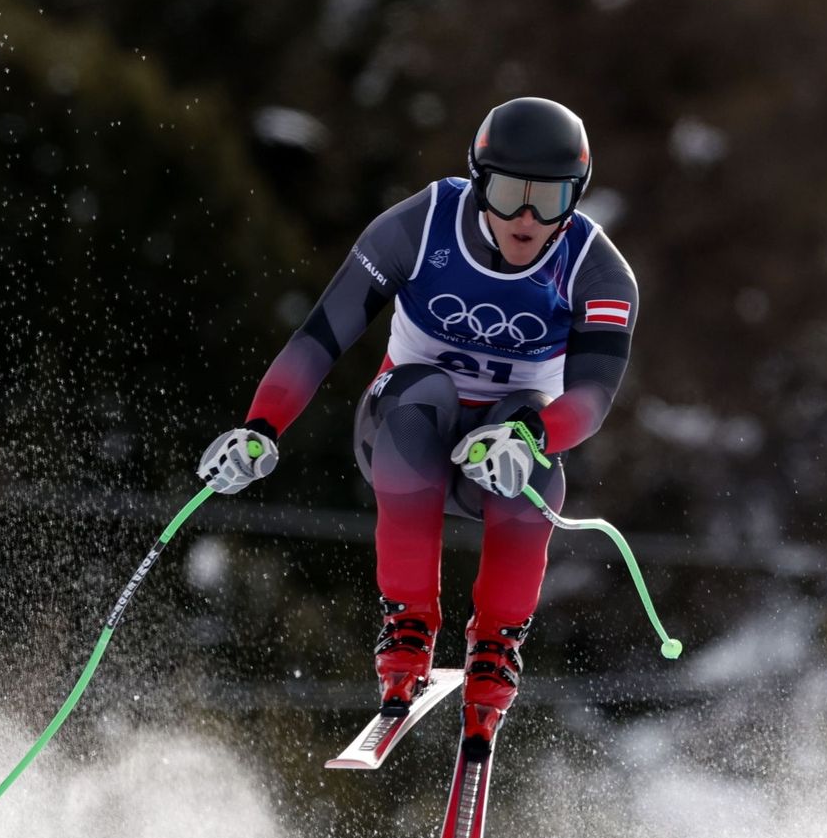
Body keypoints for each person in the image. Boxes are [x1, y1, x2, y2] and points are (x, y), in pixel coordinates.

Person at [199, 97, 638, 755]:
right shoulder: (420, 226)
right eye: (510, 193)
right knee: (421, 390)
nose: (526, 218)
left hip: (501, 456)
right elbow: (321, 337)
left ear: (575, 199)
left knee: (533, 456)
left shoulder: (598, 272)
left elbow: (594, 397)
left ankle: (497, 645)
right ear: (477, 180)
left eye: (549, 200)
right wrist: (261, 426)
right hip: (404, 430)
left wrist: (532, 436)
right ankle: (408, 625)